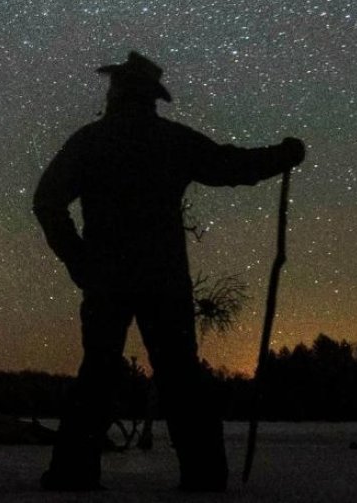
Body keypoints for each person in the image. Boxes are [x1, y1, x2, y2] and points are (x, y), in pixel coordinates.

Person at [33, 51, 305, 492]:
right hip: (163, 280)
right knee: (180, 375)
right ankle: (204, 474)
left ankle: (74, 472)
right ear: (150, 96)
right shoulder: (170, 140)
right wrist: (282, 156)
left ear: (117, 92)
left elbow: (47, 201)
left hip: (109, 279)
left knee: (99, 372)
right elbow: (229, 166)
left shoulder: (91, 141)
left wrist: (80, 260)